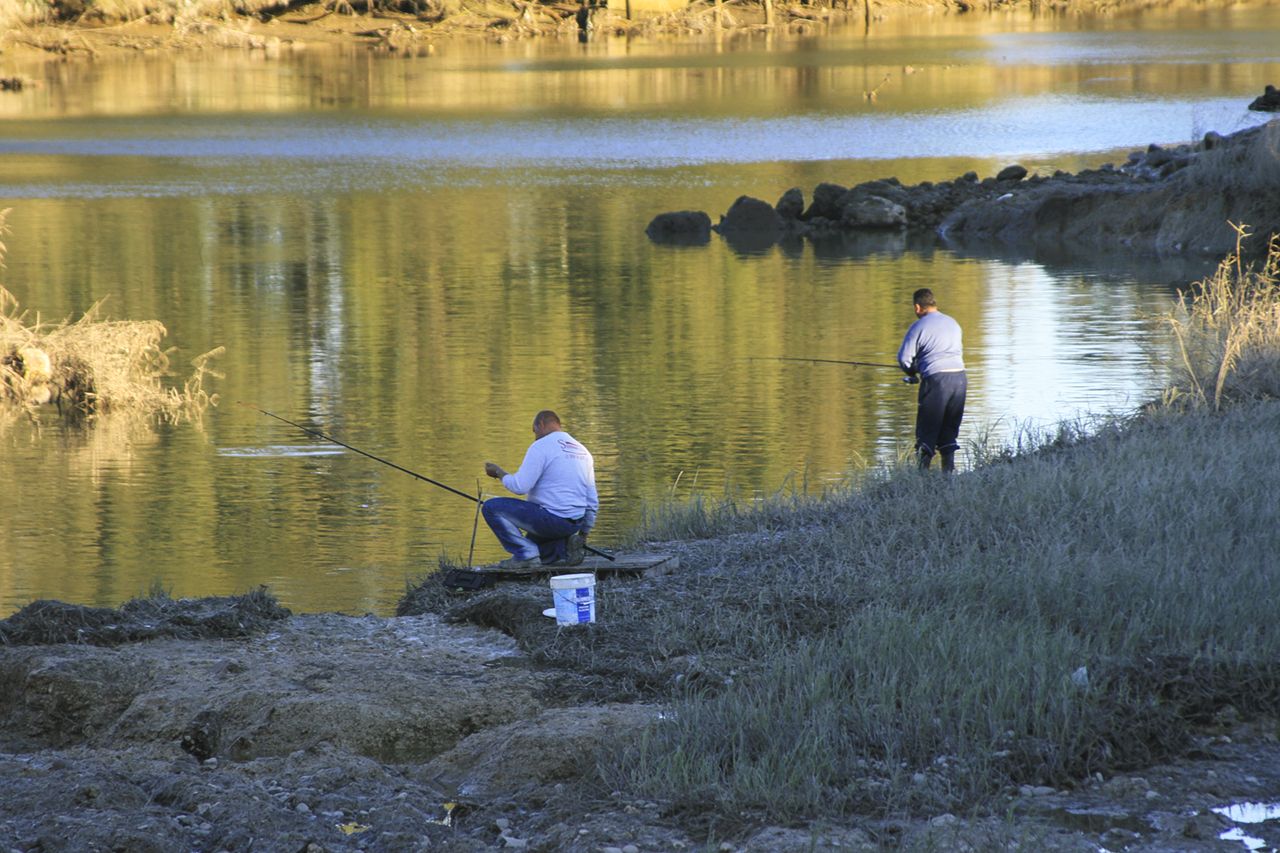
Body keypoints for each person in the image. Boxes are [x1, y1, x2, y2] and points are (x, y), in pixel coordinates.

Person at [482, 410, 599, 568]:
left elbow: (519, 487)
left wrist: (499, 473)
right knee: (538, 548)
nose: (535, 436)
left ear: (541, 424)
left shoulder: (541, 446)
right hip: (573, 524)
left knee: (490, 507)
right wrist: (583, 535)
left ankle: (526, 555)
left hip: (551, 521)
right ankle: (561, 550)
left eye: (534, 430)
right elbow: (592, 501)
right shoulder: (583, 451)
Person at [897, 288, 966, 473]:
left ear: (918, 307)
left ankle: (921, 479)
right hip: (960, 379)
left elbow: (904, 358)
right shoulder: (953, 323)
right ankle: (949, 478)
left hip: (937, 381)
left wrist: (912, 372)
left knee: (927, 431)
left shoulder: (919, 326)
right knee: (949, 431)